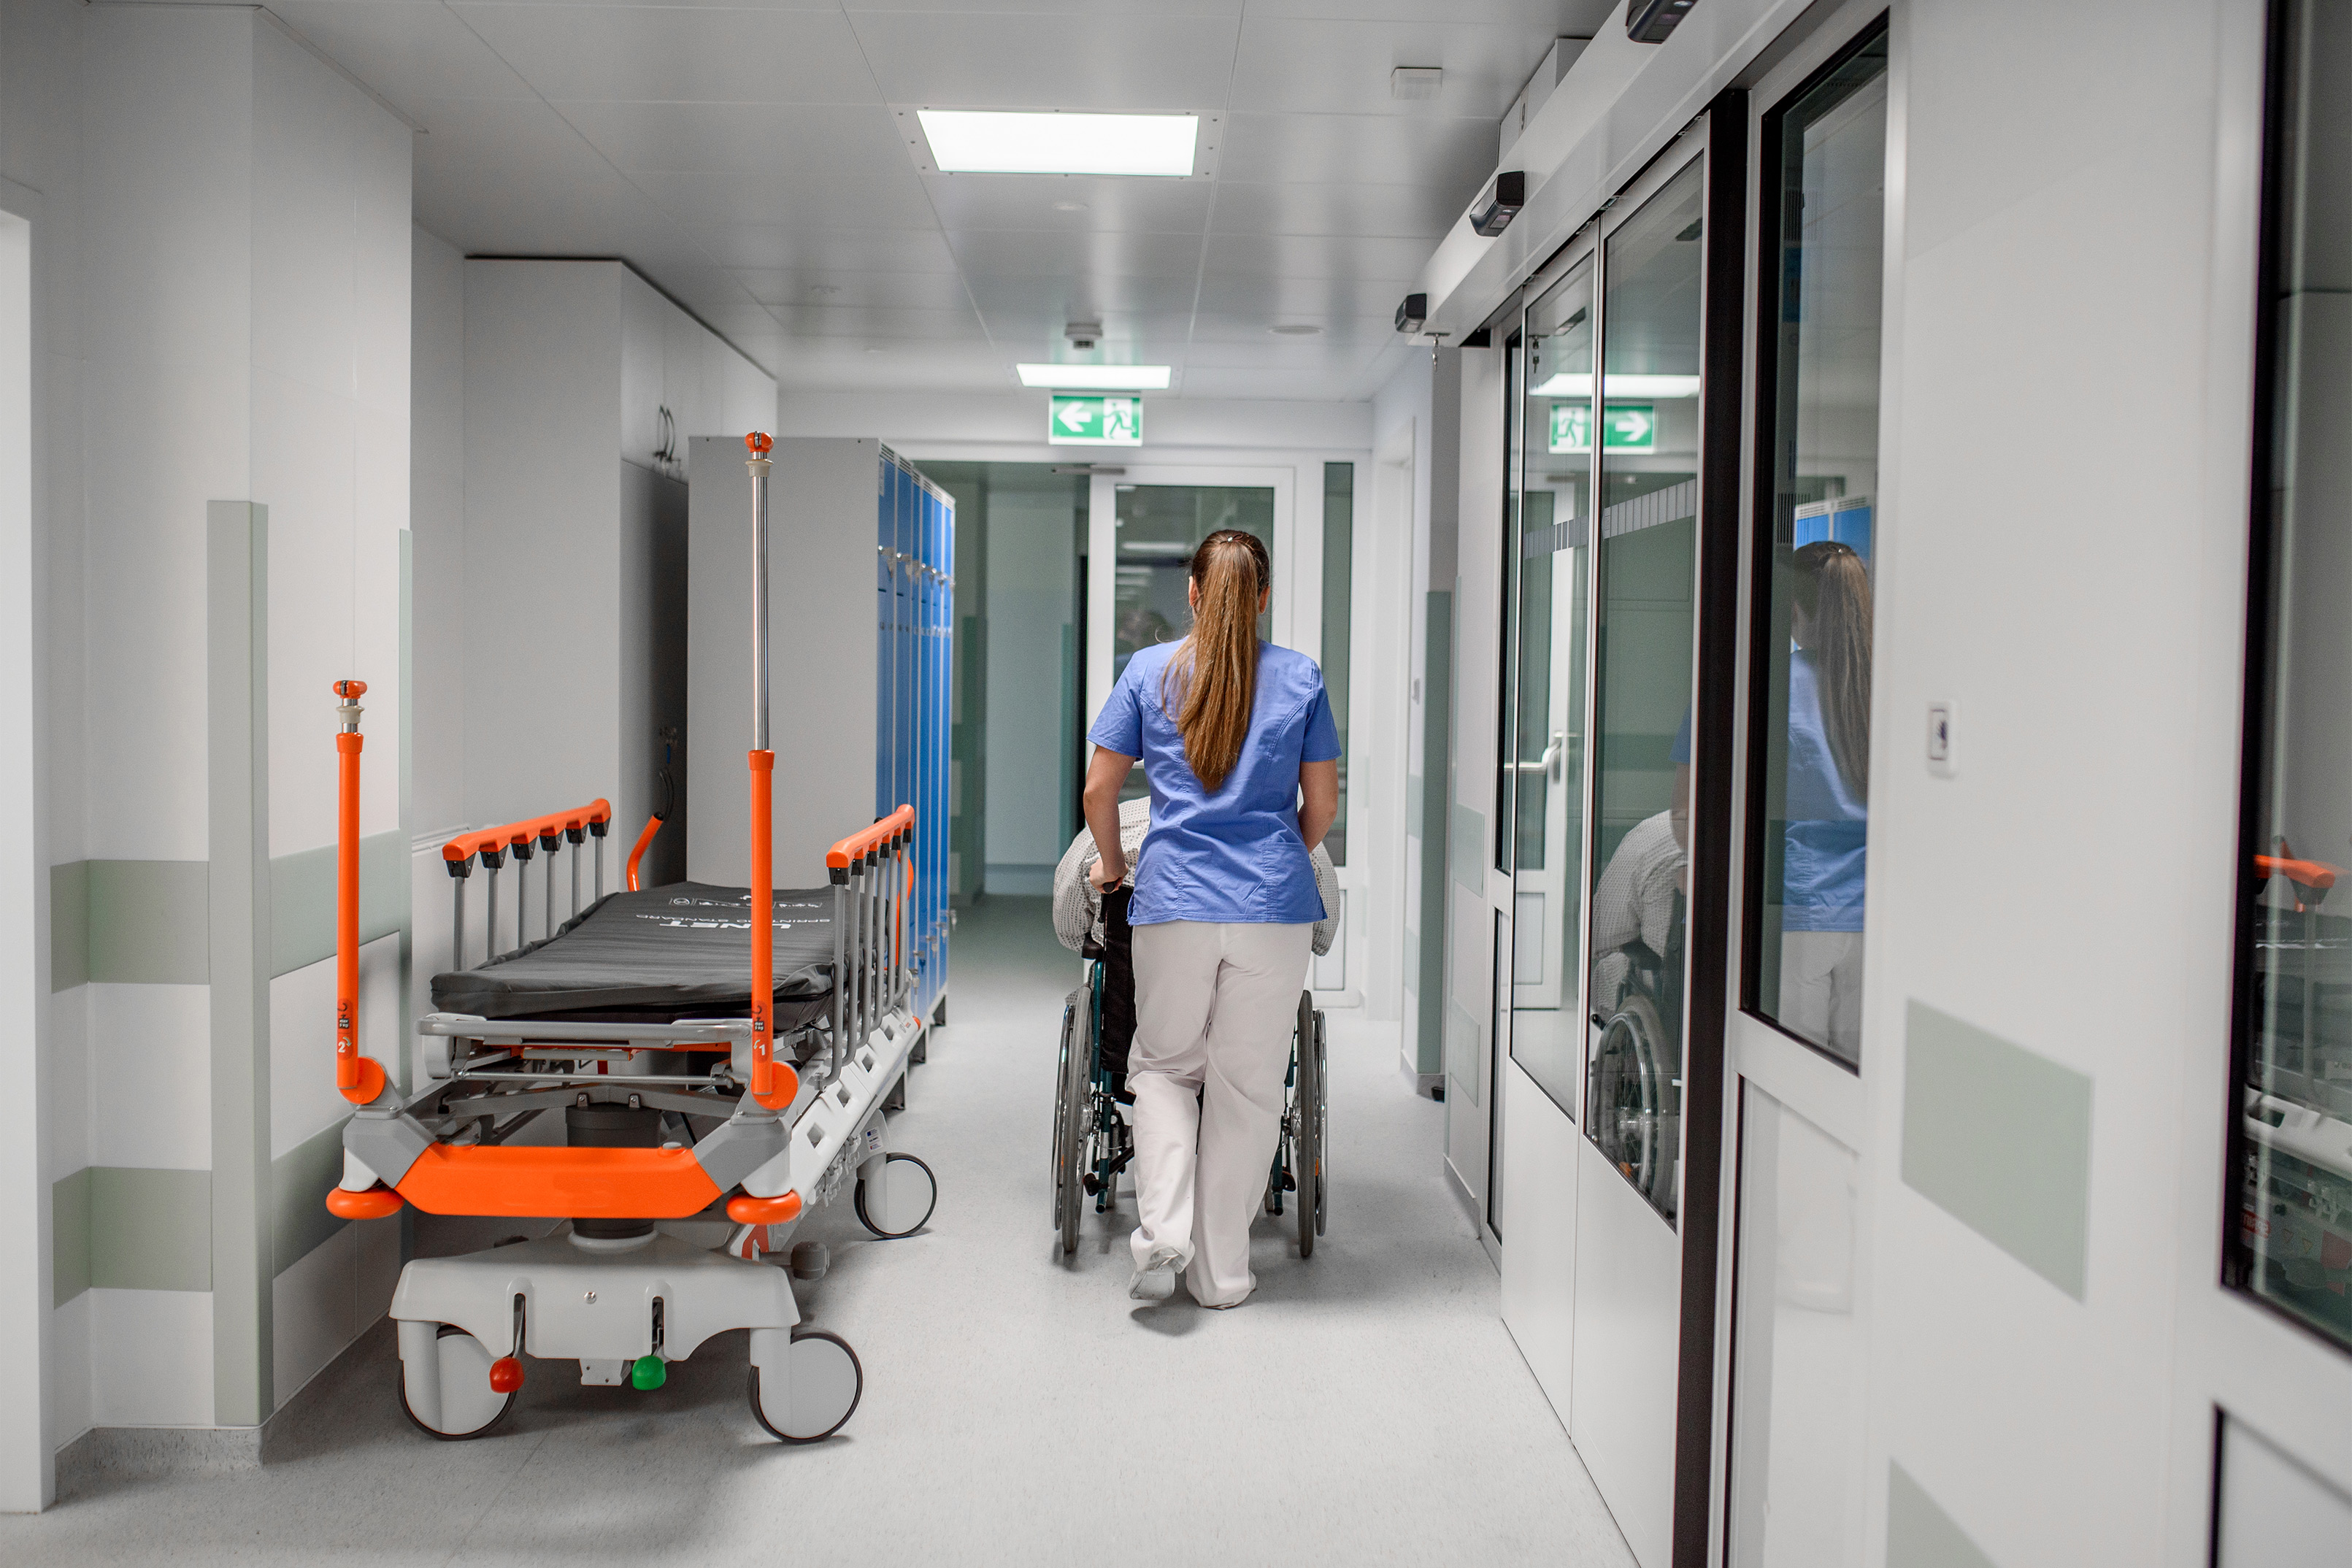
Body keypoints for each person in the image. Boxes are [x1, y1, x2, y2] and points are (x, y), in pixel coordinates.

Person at [1080, 529, 1340, 1309]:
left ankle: (1162, 1229)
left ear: (1193, 594)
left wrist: (1117, 868)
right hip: (1273, 912)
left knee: (1161, 1069)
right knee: (1249, 1090)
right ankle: (1222, 1278)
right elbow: (1322, 805)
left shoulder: (1148, 671)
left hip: (1174, 905)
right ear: (1262, 597)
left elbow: (1099, 793)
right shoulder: (1300, 677)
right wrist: (1274, 861)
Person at [1779, 539, 1870, 1054]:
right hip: (1876, 913)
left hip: (1808, 910)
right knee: (1856, 1073)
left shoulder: (1780, 686)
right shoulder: (1888, 687)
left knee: (1801, 1070)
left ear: (1794, 610)